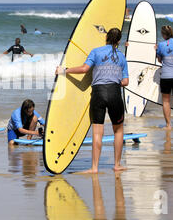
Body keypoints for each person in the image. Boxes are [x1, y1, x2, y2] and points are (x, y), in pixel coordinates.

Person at [55, 28, 129, 173]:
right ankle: (117, 165)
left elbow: (84, 69)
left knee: (97, 132)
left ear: (106, 38)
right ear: (119, 41)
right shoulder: (121, 57)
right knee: (118, 131)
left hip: (98, 93)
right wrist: (114, 81)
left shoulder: (96, 51)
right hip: (114, 93)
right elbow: (125, 81)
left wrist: (64, 70)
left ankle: (94, 167)